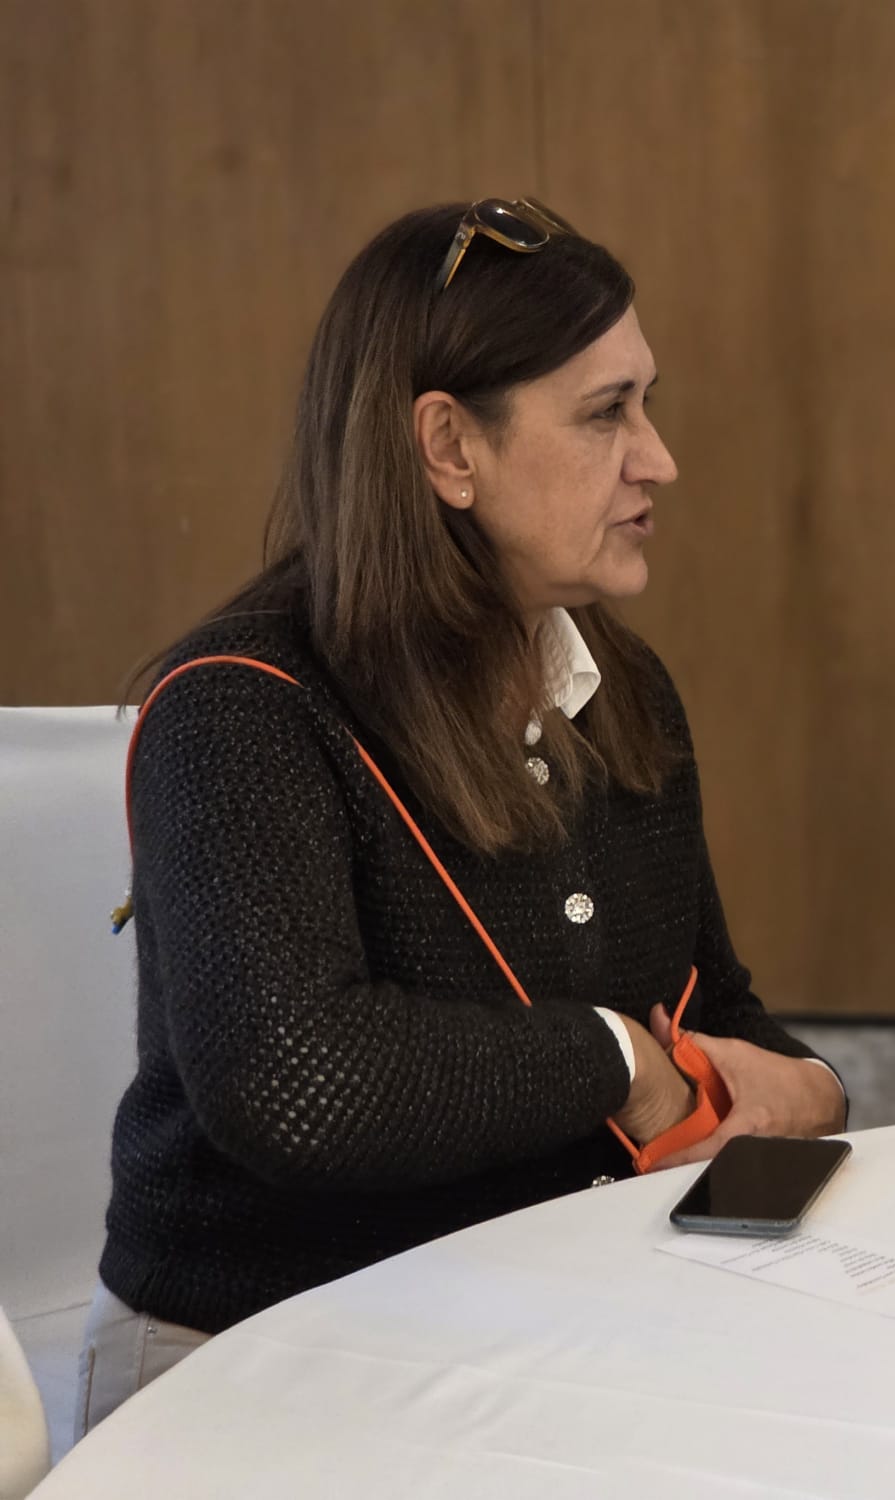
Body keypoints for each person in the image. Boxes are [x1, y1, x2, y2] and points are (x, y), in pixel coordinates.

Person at [79, 199, 846, 1433]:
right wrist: (620, 1062)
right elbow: (299, 1087)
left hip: (544, 1327)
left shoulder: (618, 684)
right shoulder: (239, 710)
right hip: (257, 1363)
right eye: (606, 414)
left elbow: (710, 1007)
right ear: (447, 448)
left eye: (647, 404)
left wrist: (803, 1089)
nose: (658, 459)